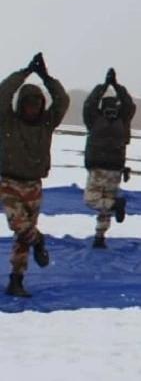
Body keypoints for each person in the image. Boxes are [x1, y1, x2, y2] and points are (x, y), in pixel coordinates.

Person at [0, 53, 70, 298]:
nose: (34, 109)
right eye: (29, 104)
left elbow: (62, 100)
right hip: (8, 182)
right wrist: (25, 72)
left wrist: (46, 77)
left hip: (34, 185)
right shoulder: (8, 121)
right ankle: (38, 240)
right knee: (20, 225)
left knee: (22, 237)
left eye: (38, 104)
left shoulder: (46, 123)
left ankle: (16, 280)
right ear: (21, 105)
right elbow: (3, 92)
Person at [82, 68, 137, 248]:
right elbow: (129, 105)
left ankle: (114, 207)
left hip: (99, 167)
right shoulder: (123, 121)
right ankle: (100, 237)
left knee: (93, 200)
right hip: (114, 168)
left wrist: (105, 86)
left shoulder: (95, 119)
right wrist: (113, 86)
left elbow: (89, 104)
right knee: (105, 204)